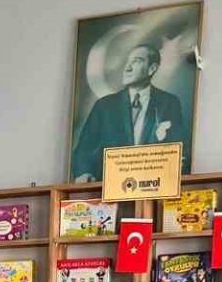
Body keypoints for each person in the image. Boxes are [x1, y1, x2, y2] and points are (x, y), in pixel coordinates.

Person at [71, 41, 190, 181]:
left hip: (152, 185)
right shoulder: (104, 106)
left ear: (152, 68)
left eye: (136, 61)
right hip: (110, 185)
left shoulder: (169, 103)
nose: (127, 67)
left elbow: (179, 149)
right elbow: (83, 150)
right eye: (128, 61)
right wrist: (84, 173)